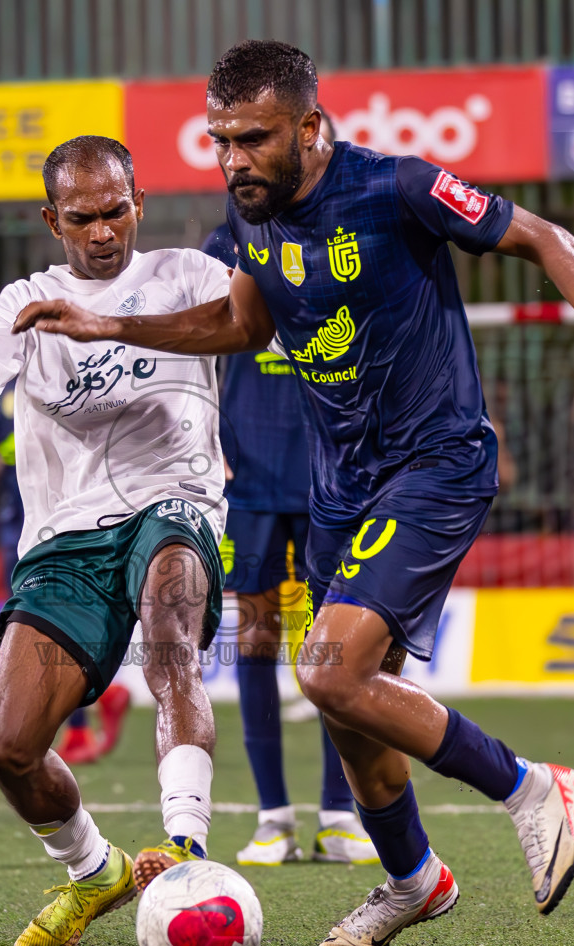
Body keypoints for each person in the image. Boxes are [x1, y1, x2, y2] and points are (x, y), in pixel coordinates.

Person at [14, 41, 574, 946]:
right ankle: (413, 880)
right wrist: (108, 323)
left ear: (310, 127)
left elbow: (543, 238)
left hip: (435, 462)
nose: (233, 159)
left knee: (326, 668)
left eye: (252, 138)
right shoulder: (250, 214)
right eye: (220, 141)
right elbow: (242, 323)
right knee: (347, 701)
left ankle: (532, 789)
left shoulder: (397, 187)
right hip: (342, 487)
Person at [0, 135, 232, 946]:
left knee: (171, 647)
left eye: (116, 211)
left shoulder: (192, 277)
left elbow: (250, 326)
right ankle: (94, 869)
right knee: (8, 744)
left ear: (140, 204)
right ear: (52, 219)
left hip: (179, 499)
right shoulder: (26, 301)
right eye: (83, 217)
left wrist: (112, 322)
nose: (103, 231)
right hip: (65, 537)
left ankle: (189, 853)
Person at [201, 112, 378, 867]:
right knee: (258, 635)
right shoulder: (230, 238)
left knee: (337, 646)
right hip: (254, 474)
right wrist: (208, 441)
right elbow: (198, 349)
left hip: (335, 469)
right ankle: (273, 815)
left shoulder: (354, 242)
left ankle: (342, 814)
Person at [0, 383, 131, 766]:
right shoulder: (2, 383)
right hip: (14, 515)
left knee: (50, 615)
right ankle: (100, 699)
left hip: (58, 514)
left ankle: (76, 728)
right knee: (21, 611)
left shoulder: (63, 375)